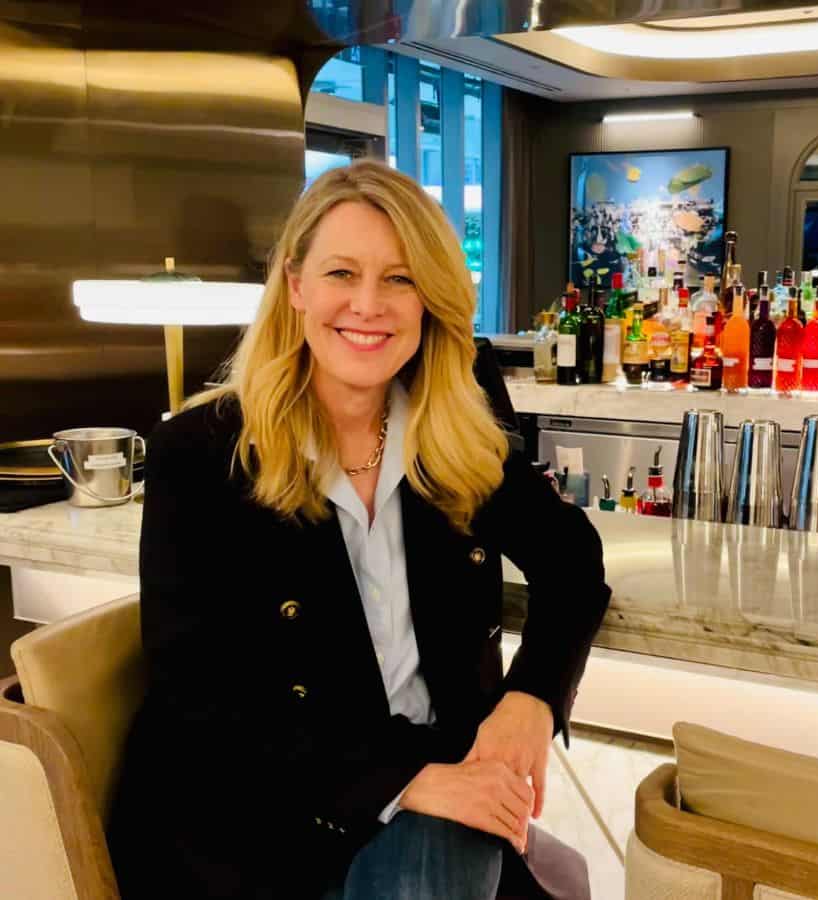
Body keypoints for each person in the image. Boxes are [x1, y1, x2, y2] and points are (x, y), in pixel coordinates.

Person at [108, 160, 611, 900]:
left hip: (442, 778)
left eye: (401, 279)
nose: (369, 306)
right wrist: (402, 782)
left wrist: (532, 698)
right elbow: (203, 697)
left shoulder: (457, 412)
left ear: (431, 298)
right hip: (264, 811)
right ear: (296, 284)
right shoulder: (201, 451)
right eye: (343, 272)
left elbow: (570, 554)